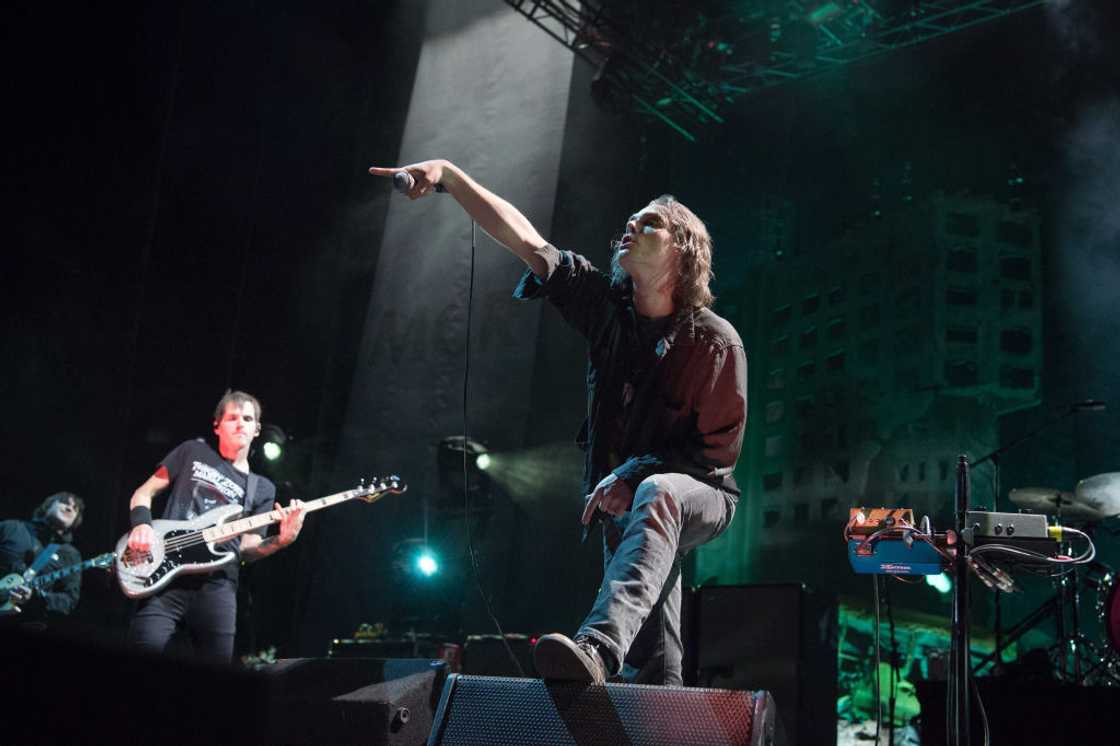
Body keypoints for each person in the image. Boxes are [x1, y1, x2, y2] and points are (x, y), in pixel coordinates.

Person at [369, 160, 747, 686]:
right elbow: (527, 241)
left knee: (659, 490)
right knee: (658, 660)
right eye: (629, 222)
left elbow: (714, 457)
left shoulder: (714, 341)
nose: (630, 228)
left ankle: (596, 648)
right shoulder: (606, 309)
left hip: (700, 494)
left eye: (650, 223)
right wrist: (451, 177)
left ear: (684, 250)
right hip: (627, 500)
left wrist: (634, 473)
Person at [125, 390, 305, 662]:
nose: (240, 423)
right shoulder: (192, 451)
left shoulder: (262, 487)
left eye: (247, 418)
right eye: (232, 417)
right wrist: (142, 526)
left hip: (218, 587)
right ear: (217, 425)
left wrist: (281, 541)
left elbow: (248, 549)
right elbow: (143, 493)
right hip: (165, 576)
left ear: (257, 429)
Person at [0, 492, 86, 622]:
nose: (69, 508)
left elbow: (69, 601)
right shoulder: (11, 528)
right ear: (48, 505)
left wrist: (36, 597)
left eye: (75, 509)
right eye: (65, 502)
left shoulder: (71, 555)